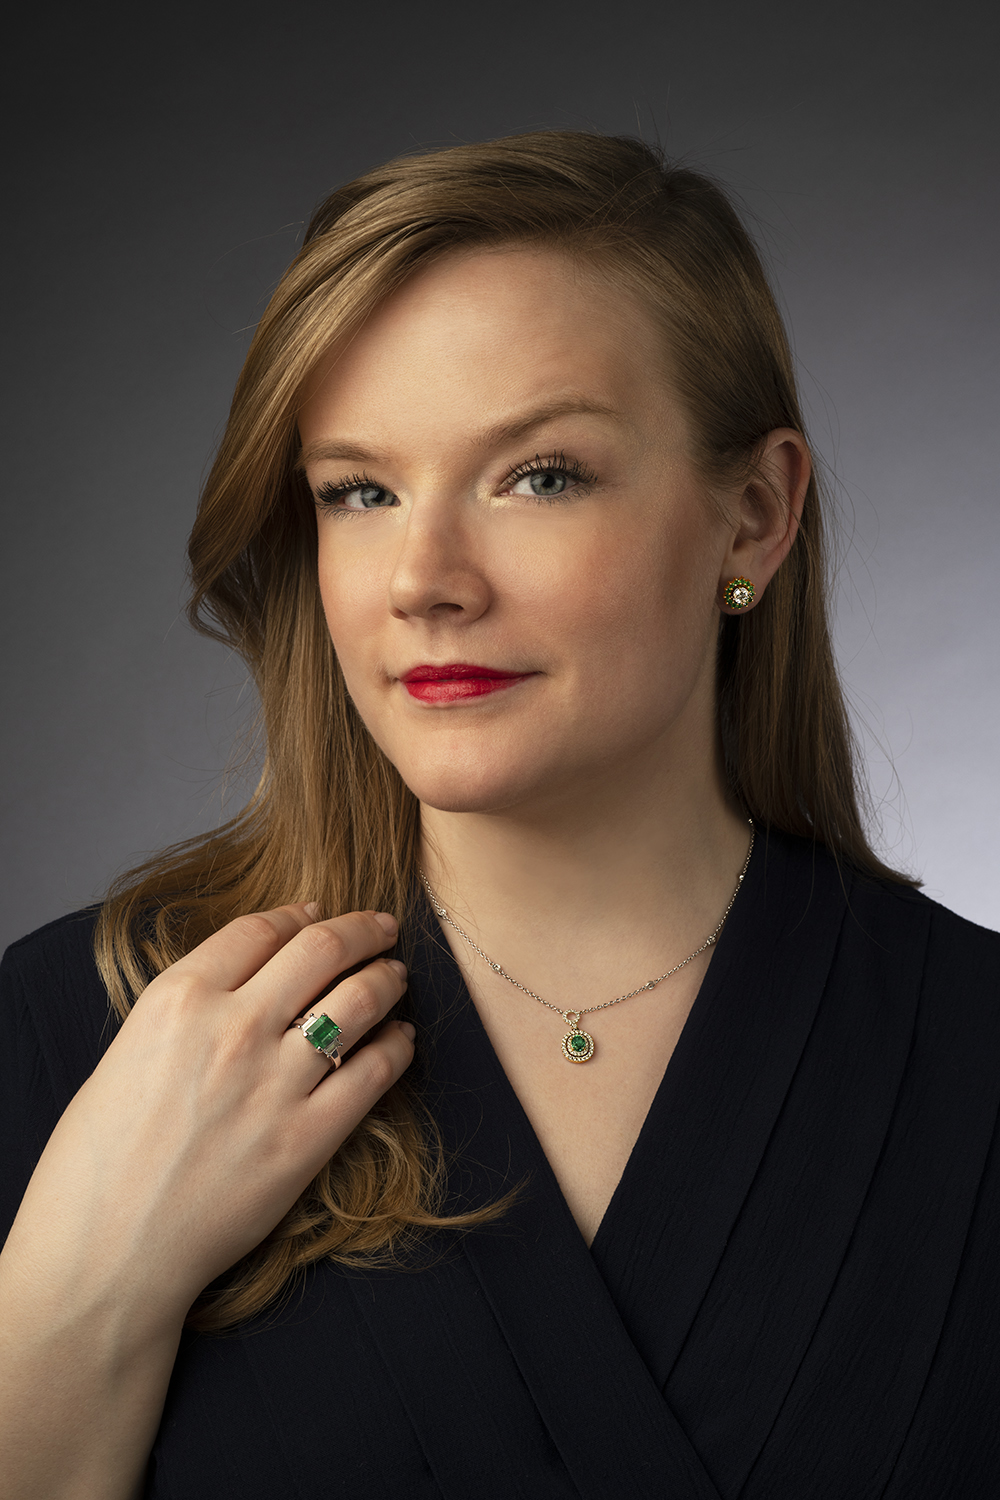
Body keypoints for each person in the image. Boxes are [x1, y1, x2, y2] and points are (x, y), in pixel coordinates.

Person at [1, 130, 997, 1500]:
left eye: (539, 475)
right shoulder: (79, 1033)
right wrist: (76, 1296)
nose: (423, 578)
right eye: (360, 491)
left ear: (755, 516)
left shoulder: (972, 1059)